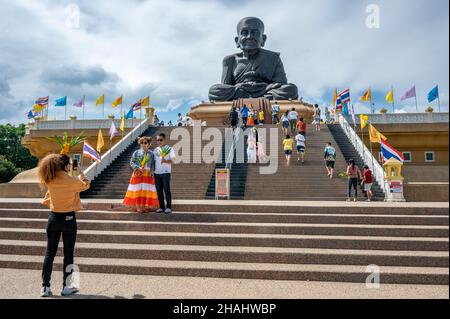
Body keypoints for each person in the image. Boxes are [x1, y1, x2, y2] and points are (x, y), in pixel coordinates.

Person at [38, 153, 90, 297]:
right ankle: (66, 286)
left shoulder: (50, 179)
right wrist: (80, 172)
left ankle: (45, 287)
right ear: (66, 166)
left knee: (49, 254)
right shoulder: (71, 180)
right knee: (68, 254)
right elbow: (86, 184)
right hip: (68, 219)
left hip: (53, 218)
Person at [123, 136, 159, 213]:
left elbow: (153, 164)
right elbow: (132, 162)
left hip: (147, 174)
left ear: (148, 144)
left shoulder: (151, 154)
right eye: (142, 142)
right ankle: (138, 207)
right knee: (137, 190)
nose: (143, 144)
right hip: (138, 173)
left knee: (145, 191)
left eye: (145, 142)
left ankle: (143, 206)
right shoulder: (136, 152)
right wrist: (138, 167)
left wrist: (152, 172)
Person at [154, 133, 176, 214]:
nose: (159, 141)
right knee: (159, 191)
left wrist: (165, 161)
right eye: (158, 140)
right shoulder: (155, 150)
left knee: (166, 189)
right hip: (157, 173)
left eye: (161, 140)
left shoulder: (169, 149)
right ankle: (161, 207)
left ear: (164, 140)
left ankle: (169, 207)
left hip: (166, 173)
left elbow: (173, 161)